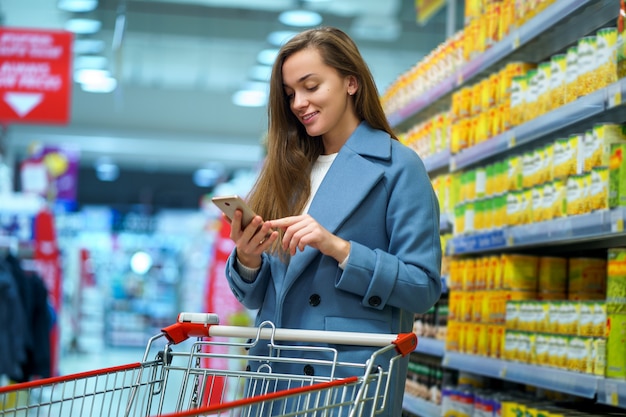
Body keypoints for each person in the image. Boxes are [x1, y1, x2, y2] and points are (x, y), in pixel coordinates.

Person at [224, 26, 442, 417]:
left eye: (311, 86)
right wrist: (248, 257)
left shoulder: (398, 167)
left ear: (351, 83)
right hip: (272, 374)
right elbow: (258, 296)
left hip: (343, 384)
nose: (298, 103)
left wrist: (338, 248)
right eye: (290, 93)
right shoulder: (286, 171)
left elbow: (423, 287)